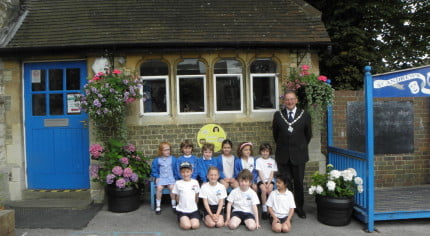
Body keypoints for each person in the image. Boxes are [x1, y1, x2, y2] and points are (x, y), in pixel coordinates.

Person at [272, 90, 312, 218]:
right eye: (287, 99)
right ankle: (285, 208)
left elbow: (308, 135)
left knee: (299, 183)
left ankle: (299, 208)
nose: (289, 102)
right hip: (283, 156)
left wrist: (298, 146)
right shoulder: (278, 115)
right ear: (284, 101)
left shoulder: (305, 115)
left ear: (296, 100)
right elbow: (275, 135)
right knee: (285, 183)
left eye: (292, 99)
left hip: (299, 155)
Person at [150, 142, 178, 214]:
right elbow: (154, 169)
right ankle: (158, 206)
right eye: (165, 150)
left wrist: (175, 177)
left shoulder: (173, 159)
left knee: (172, 188)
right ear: (161, 151)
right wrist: (157, 177)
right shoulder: (157, 160)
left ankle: (174, 205)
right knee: (159, 188)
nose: (168, 151)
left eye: (168, 149)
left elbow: (176, 169)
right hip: (162, 178)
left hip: (170, 177)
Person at [172, 162, 201, 230]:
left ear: (191, 171)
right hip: (182, 210)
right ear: (180, 173)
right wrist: (181, 205)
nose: (185, 174)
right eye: (183, 172)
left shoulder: (195, 182)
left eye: (187, 172)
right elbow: (177, 197)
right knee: (187, 226)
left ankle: (191, 219)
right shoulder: (178, 183)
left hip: (193, 209)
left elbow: (197, 195)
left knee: (195, 226)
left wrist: (195, 204)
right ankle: (182, 219)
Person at [255, 143, 278, 220]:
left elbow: (272, 173)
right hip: (261, 179)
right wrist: (264, 183)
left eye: (267, 151)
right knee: (264, 190)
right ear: (260, 152)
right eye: (263, 151)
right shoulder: (258, 160)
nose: (265, 153)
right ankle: (264, 209)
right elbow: (260, 172)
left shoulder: (273, 161)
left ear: (269, 152)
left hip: (270, 180)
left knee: (270, 189)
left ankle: (270, 208)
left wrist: (269, 182)